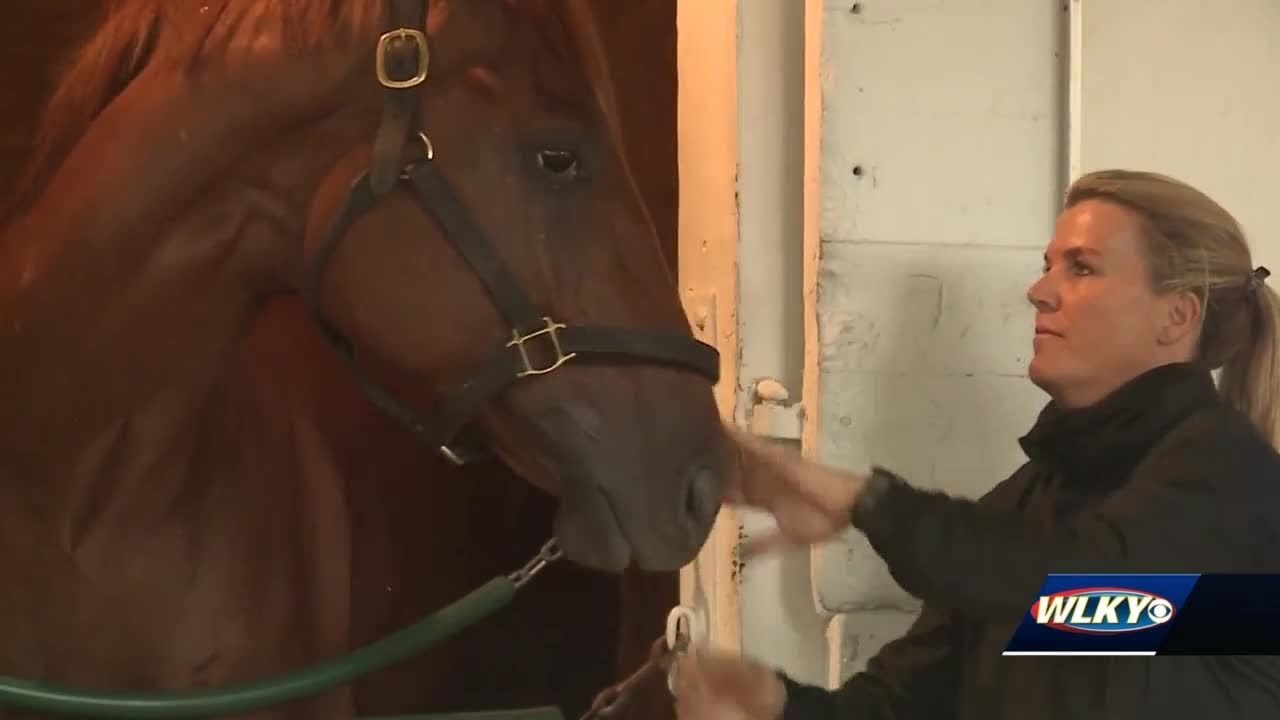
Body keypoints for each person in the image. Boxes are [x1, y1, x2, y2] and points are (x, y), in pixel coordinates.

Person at [674, 169, 1280, 719]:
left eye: (1083, 267)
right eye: (1049, 264)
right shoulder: (1022, 508)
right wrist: (776, 704)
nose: (1040, 290)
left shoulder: (1230, 477)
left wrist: (866, 501)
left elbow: (1085, 594)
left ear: (1176, 316)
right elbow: (899, 707)